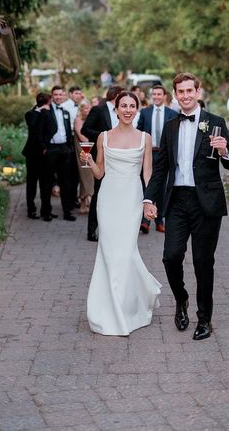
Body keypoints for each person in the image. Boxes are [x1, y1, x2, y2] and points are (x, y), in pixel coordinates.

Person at [143, 72, 229, 341]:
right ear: (175, 95)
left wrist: (223, 151)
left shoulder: (215, 122)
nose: (184, 96)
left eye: (189, 91)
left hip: (206, 202)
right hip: (178, 201)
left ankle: (204, 318)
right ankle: (181, 299)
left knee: (202, 261)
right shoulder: (171, 127)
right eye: (180, 92)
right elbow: (160, 170)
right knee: (171, 256)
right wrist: (149, 198)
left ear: (198, 92)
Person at [80, 91, 161, 336]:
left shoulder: (144, 138)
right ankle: (110, 310)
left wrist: (149, 200)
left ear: (137, 109)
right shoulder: (103, 137)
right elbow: (99, 173)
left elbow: (147, 173)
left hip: (132, 199)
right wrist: (88, 160)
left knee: (126, 253)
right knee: (108, 253)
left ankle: (130, 304)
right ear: (115, 109)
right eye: (123, 105)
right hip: (108, 200)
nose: (127, 109)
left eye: (132, 106)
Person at [81, 85, 124, 241]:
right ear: (116, 95)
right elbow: (86, 130)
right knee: (99, 194)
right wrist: (105, 136)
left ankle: (112, 229)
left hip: (119, 158)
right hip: (101, 158)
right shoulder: (98, 110)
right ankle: (92, 230)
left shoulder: (122, 111)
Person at [137, 85, 178, 234]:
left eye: (159, 94)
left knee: (162, 187)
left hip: (164, 154)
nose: (156, 97)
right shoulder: (145, 112)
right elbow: (139, 132)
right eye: (154, 94)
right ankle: (145, 221)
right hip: (148, 153)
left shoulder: (172, 114)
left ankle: (160, 221)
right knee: (146, 185)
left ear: (164, 95)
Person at [40, 85, 76, 222]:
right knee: (47, 182)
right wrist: (44, 147)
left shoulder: (66, 112)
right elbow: (40, 131)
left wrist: (69, 147)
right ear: (52, 96)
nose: (58, 97)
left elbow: (67, 130)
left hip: (64, 149)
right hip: (51, 149)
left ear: (64, 96)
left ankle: (67, 212)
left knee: (65, 182)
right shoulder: (46, 112)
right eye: (56, 95)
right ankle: (46, 212)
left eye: (61, 94)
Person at [22, 92, 51, 219]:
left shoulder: (50, 113)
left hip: (45, 153)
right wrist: (43, 112)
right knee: (32, 183)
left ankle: (46, 210)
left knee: (45, 183)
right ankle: (31, 209)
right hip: (33, 154)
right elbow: (34, 128)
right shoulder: (30, 114)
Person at [62, 85, 85, 209]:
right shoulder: (66, 106)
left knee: (77, 172)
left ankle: (75, 198)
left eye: (80, 93)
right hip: (70, 139)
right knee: (70, 172)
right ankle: (69, 200)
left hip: (78, 140)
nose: (79, 95)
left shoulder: (81, 106)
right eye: (76, 93)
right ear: (71, 94)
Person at [74, 100, 94, 214]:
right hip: (82, 150)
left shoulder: (89, 120)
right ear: (81, 109)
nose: (88, 110)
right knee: (86, 175)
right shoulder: (78, 120)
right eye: (86, 108)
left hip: (90, 150)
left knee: (87, 176)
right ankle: (89, 199)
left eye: (89, 108)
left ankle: (83, 205)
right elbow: (82, 138)